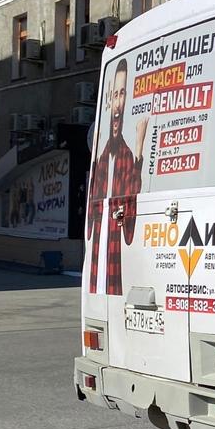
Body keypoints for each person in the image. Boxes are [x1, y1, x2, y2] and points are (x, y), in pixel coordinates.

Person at [87, 59, 148, 295]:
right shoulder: (101, 158)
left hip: (112, 265)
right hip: (95, 267)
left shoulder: (126, 156)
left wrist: (140, 149)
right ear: (109, 100)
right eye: (115, 94)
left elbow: (130, 210)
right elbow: (90, 218)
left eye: (123, 94)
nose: (118, 103)